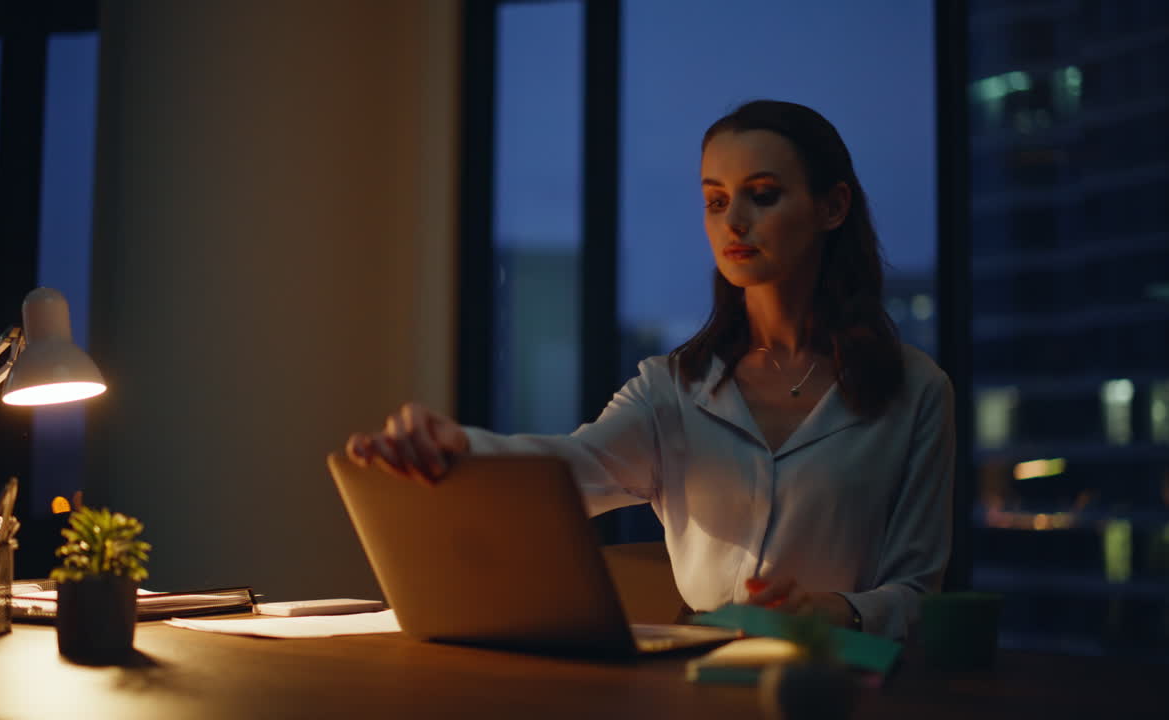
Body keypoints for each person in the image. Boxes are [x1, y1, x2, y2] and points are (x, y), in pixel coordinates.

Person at [345, 100, 955, 640]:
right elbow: (570, 469)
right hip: (698, 683)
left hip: (844, 686)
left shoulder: (915, 391)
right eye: (716, 200)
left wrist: (833, 612)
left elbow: (919, 595)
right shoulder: (674, 387)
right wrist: (459, 449)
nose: (733, 221)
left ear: (833, 206)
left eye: (762, 194)